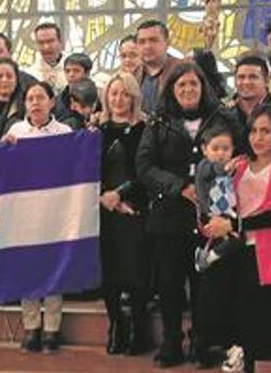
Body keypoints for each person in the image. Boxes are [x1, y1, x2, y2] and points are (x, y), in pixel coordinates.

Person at [136, 62, 240, 367]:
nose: (188, 90)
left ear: (203, 86)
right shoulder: (158, 122)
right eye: (181, 85)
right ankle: (171, 340)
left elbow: (242, 153)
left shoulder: (222, 118)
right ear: (172, 89)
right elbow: (144, 167)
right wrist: (180, 185)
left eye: (193, 84)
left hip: (209, 218)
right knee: (169, 283)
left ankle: (203, 341)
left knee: (204, 284)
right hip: (169, 216)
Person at [200, 104, 271, 373]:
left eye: (266, 131)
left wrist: (234, 223)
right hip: (231, 250)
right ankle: (233, 357)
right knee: (226, 309)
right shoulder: (239, 164)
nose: (258, 137)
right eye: (254, 131)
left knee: (255, 318)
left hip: (264, 253)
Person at [1, 81, 73, 354]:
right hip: (24, 212)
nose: (35, 102)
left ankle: (52, 328)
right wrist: (4, 148)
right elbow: (2, 169)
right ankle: (31, 327)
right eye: (30, 98)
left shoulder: (64, 132)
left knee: (54, 270)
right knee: (27, 269)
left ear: (51, 101)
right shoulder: (16, 131)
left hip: (55, 211)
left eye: (40, 97)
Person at [97, 72, 150, 356]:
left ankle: (139, 328)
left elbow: (146, 170)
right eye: (113, 93)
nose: (118, 99)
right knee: (110, 272)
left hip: (136, 210)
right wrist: (107, 197)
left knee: (136, 272)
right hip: (105, 211)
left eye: (124, 94)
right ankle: (116, 324)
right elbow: (86, 171)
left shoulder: (145, 128)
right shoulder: (97, 131)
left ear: (134, 97)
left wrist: (122, 195)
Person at [193, 127, 240, 272]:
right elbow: (214, 169)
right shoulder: (204, 166)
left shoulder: (231, 169)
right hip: (208, 214)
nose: (220, 153)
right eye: (215, 149)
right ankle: (208, 257)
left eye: (225, 149)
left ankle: (208, 255)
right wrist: (227, 166)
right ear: (204, 149)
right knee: (233, 238)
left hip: (224, 212)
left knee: (236, 237)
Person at [136, 19, 181, 114]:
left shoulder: (182, 70)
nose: (147, 46)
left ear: (167, 43)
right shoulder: (134, 75)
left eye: (153, 40)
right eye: (142, 42)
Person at [27, 22, 67, 94]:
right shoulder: (30, 74)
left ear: (60, 42)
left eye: (50, 41)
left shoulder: (73, 70)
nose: (46, 47)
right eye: (41, 42)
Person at [52, 53, 92, 122]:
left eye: (76, 71)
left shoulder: (98, 99)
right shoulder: (55, 101)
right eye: (67, 71)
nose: (71, 75)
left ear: (87, 73)